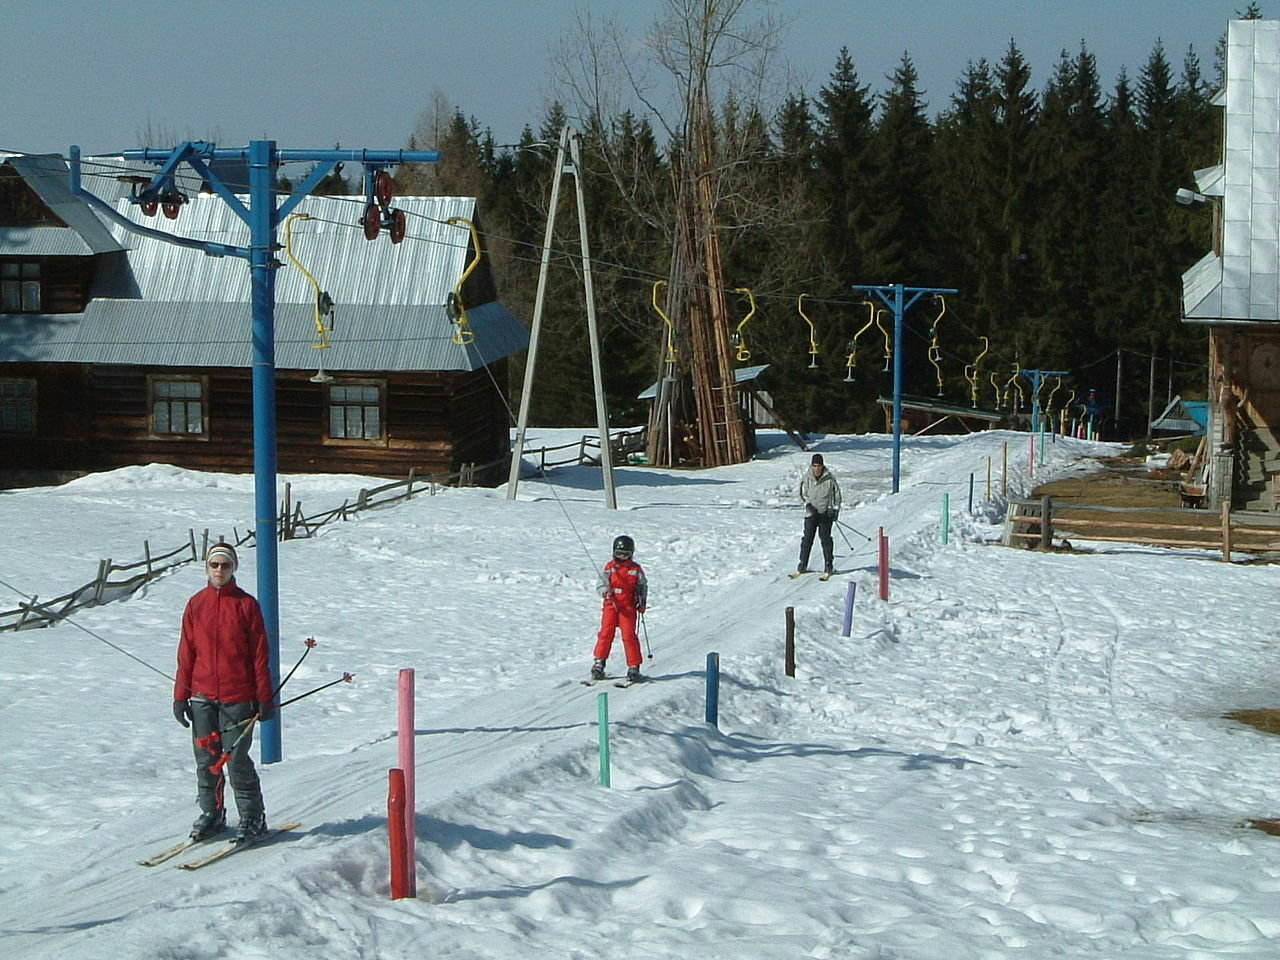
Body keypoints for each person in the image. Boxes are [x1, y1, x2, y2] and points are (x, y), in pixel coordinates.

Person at [172, 541, 273, 843]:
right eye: (214, 565)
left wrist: (264, 697)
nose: (219, 570)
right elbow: (186, 652)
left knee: (237, 759)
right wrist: (180, 695)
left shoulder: (246, 605)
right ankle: (212, 813)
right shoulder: (196, 604)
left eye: (225, 565)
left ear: (234, 568)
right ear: (207, 568)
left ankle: (253, 817)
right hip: (202, 697)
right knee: (206, 760)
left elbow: (259, 655)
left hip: (237, 698)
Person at [591, 535, 648, 682]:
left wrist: (641, 602)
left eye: (625, 555)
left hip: (627, 607)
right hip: (611, 605)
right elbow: (601, 582)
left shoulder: (635, 569)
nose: (622, 557)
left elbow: (642, 587)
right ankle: (599, 662)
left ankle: (634, 666)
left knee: (629, 635)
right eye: (619, 554)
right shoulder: (610, 567)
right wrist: (605, 591)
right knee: (605, 633)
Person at [798, 453, 842, 575]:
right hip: (811, 514)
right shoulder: (806, 478)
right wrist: (807, 505)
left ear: (823, 466)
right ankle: (803, 563)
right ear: (811, 466)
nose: (817, 468)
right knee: (807, 539)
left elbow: (836, 496)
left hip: (824, 515)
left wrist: (833, 510)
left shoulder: (830, 479)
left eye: (819, 466)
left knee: (826, 539)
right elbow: (802, 494)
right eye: (815, 465)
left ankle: (828, 565)